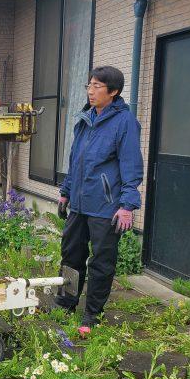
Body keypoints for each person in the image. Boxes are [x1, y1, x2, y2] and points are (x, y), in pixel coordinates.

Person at [55, 66, 143, 331]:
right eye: (89, 85)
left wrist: (127, 205)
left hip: (106, 206)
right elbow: (76, 161)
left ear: (113, 92)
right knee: (71, 253)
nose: (91, 91)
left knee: (101, 262)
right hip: (80, 203)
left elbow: (131, 165)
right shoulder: (86, 118)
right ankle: (67, 302)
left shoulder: (125, 121)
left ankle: (92, 313)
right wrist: (65, 192)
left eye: (97, 86)